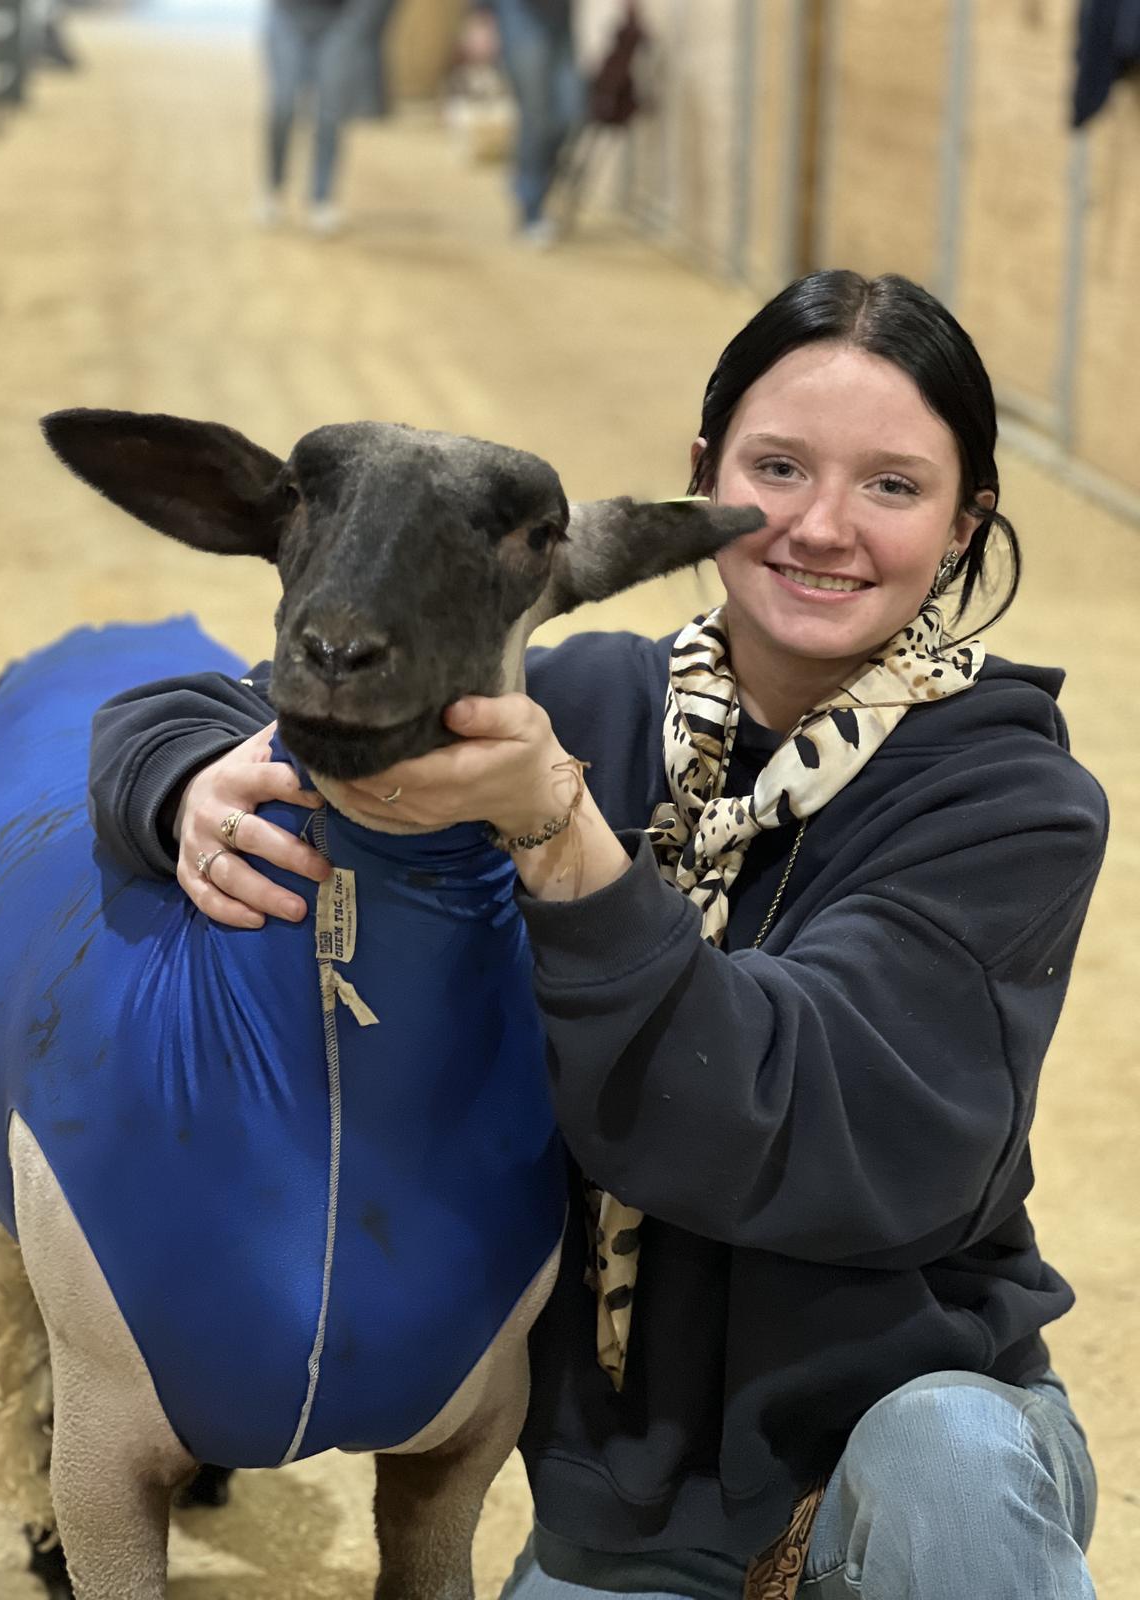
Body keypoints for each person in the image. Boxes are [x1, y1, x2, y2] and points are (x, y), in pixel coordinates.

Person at [87, 270, 1105, 1599]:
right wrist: (187, 785)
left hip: (896, 1452)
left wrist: (564, 835)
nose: (822, 526)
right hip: (627, 1508)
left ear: (968, 523)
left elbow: (780, 1112)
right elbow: (176, 706)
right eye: (779, 466)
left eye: (895, 487)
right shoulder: (593, 699)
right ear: (706, 481)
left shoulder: (1008, 805)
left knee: (949, 1458)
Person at [258, 0, 399, 234]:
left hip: (339, 18)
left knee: (331, 109)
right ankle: (274, 186)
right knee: (283, 104)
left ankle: (321, 198)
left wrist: (360, 27)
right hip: (287, 15)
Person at [470, 0, 584, 245]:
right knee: (537, 114)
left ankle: (529, 179)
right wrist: (480, 19)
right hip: (519, 11)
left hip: (560, 15)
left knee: (573, 112)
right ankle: (530, 209)